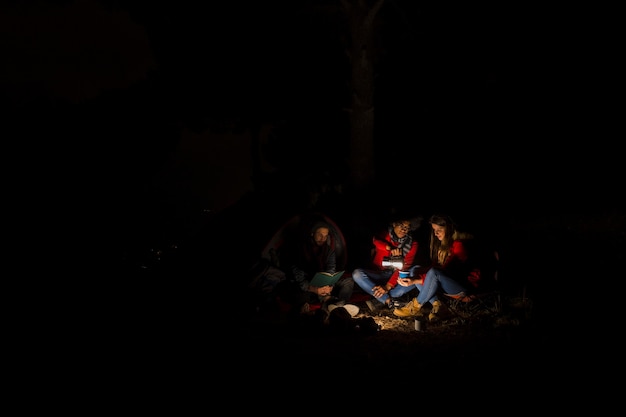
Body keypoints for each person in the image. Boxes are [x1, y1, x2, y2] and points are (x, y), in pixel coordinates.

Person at [392, 214, 482, 321]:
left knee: (432, 273)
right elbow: (435, 270)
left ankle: (415, 307)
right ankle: (438, 305)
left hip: (464, 287)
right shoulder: (444, 245)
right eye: (434, 230)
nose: (436, 233)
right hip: (449, 283)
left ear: (449, 228)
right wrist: (414, 275)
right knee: (416, 269)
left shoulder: (459, 246)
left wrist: (416, 280)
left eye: (439, 229)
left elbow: (448, 272)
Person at [276, 220, 358, 317]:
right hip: (308, 286)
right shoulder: (301, 250)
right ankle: (332, 305)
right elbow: (299, 279)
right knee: (297, 293)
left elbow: (331, 269)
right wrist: (315, 290)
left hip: (323, 284)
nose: (322, 238)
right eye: (320, 235)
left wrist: (330, 285)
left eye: (325, 236)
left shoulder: (328, 250)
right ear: (312, 233)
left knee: (348, 281)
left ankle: (338, 305)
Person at [352, 215, 422, 313]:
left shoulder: (412, 244)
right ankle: (388, 300)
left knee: (415, 273)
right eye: (401, 225)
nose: (403, 229)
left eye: (407, 227)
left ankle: (381, 299)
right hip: (380, 273)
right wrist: (389, 248)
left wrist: (387, 286)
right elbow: (376, 241)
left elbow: (404, 267)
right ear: (394, 224)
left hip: (396, 277)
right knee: (357, 274)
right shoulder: (385, 234)